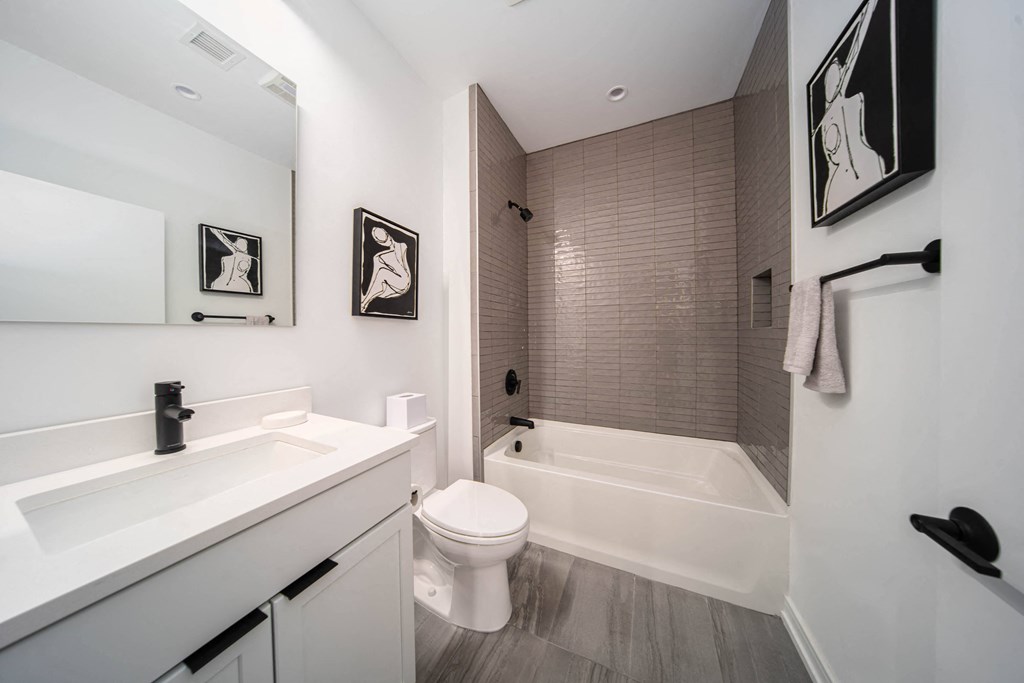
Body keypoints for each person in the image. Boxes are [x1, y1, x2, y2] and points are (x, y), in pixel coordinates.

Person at [813, 0, 885, 216]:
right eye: (828, 79)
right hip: (839, 182)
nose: (832, 79)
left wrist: (868, 15)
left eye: (836, 71)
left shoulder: (841, 100)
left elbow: (853, 54)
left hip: (865, 167)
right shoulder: (823, 121)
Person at [360, 226, 411, 313]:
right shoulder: (379, 257)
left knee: (382, 273)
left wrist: (408, 282)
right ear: (378, 242)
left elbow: (406, 267)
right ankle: (366, 300)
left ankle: (365, 302)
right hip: (396, 284)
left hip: (404, 281)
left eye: (385, 237)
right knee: (381, 274)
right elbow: (375, 276)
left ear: (387, 234)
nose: (387, 241)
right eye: (381, 240)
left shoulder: (402, 246)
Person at [209, 227, 257, 293]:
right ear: (235, 245)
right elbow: (225, 241)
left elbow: (242, 268)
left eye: (244, 244)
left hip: (240, 285)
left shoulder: (247, 258)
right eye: (239, 243)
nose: (241, 246)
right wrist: (217, 233)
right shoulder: (234, 252)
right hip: (221, 282)